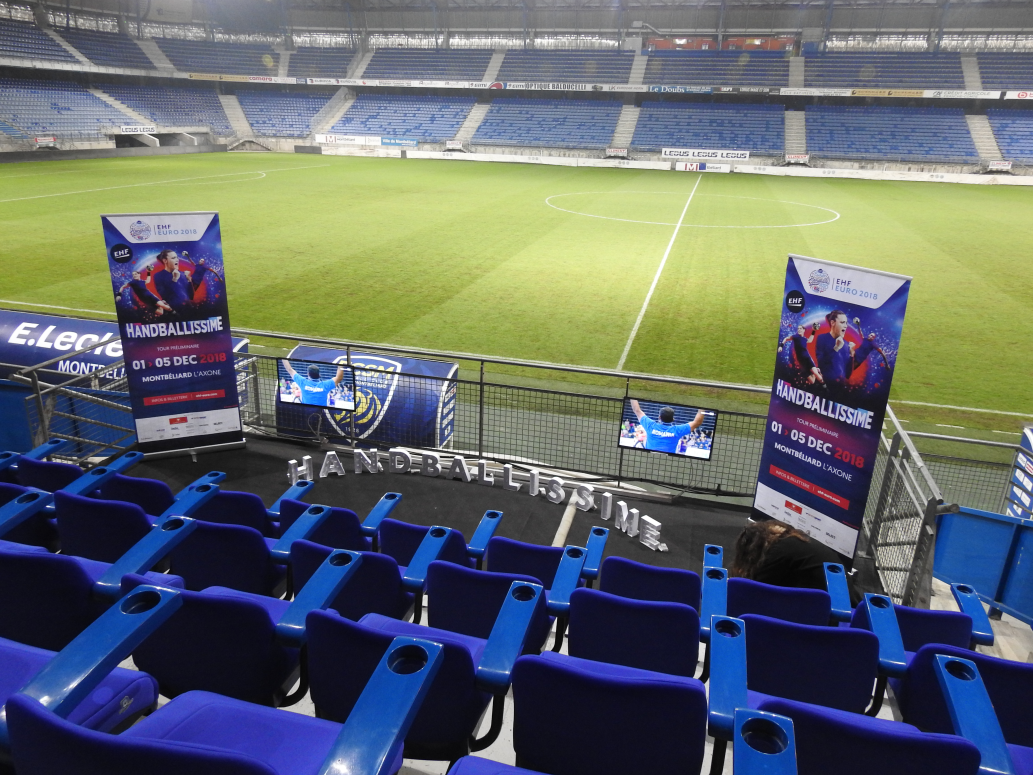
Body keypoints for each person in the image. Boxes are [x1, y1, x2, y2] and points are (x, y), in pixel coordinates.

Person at [730, 519, 847, 592]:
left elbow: (754, 589)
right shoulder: (795, 542)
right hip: (843, 602)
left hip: (835, 610)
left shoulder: (779, 551)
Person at [815, 310, 876, 400]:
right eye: (842, 322)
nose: (845, 326)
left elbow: (847, 374)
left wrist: (851, 355)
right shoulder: (822, 338)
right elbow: (821, 364)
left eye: (846, 323)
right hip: (823, 389)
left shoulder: (847, 345)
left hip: (839, 391)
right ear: (832, 323)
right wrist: (836, 348)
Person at [629, 399, 705, 454]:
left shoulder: (650, 425)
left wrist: (632, 396)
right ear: (673, 419)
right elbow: (697, 422)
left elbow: (636, 410)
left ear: (659, 417)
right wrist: (703, 407)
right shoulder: (677, 430)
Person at [152, 249, 214, 314]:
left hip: (189, 310)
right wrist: (174, 280)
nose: (177, 260)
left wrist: (189, 281)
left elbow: (191, 296)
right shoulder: (158, 275)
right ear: (165, 260)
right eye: (173, 258)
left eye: (177, 257)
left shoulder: (182, 274)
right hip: (174, 313)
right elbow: (164, 295)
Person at [281, 360, 346, 407]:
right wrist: (341, 365)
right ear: (319, 374)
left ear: (308, 374)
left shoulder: (303, 382)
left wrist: (284, 359)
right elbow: (339, 378)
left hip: (306, 413)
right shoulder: (325, 385)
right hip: (321, 414)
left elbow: (289, 369)